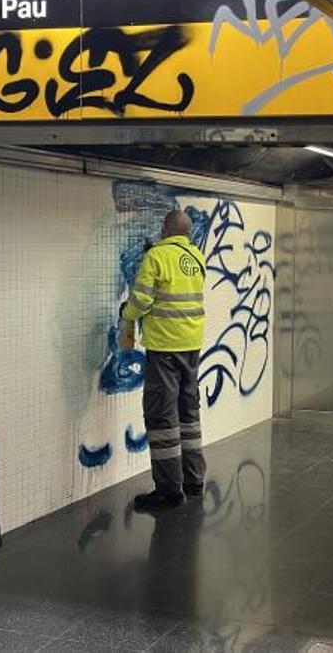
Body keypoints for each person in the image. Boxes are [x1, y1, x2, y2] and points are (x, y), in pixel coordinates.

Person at [120, 211, 207, 509]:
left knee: (162, 417)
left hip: (165, 348)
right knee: (188, 414)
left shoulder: (156, 258)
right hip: (191, 347)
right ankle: (194, 479)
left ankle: (169, 490)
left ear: (165, 228)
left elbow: (142, 300)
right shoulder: (196, 257)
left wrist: (126, 315)